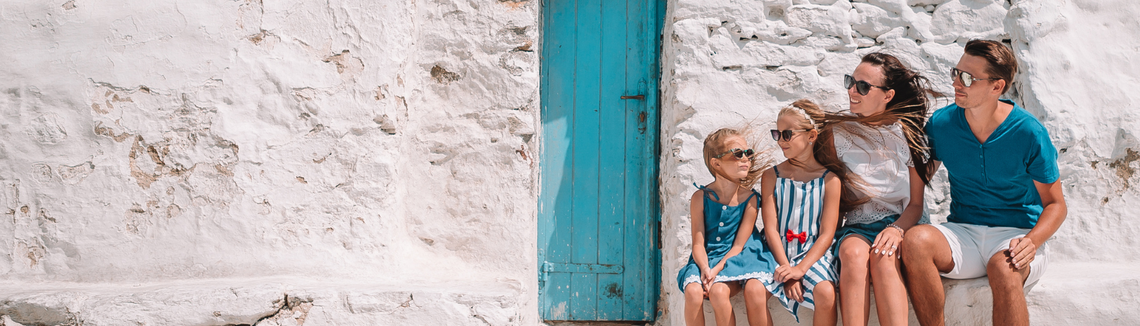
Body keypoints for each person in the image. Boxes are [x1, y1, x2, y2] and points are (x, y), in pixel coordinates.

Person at [902, 39, 1067, 326]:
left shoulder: (1029, 132)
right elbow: (918, 173)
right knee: (916, 241)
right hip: (963, 231)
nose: (957, 82)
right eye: (956, 72)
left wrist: (1031, 242)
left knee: (1003, 269)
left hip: (1015, 234)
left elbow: (1055, 204)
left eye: (968, 77)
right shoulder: (941, 124)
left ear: (996, 87)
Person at [812, 52, 942, 326]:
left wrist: (897, 230)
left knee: (883, 258)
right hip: (859, 224)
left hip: (904, 222)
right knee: (852, 254)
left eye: (863, 86)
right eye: (851, 81)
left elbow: (916, 204)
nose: (851, 91)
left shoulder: (908, 135)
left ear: (888, 94)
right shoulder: (835, 135)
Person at [677, 128, 779, 326]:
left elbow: (738, 246)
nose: (745, 159)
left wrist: (716, 271)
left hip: (738, 257)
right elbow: (698, 243)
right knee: (693, 291)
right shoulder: (700, 198)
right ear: (716, 163)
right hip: (707, 257)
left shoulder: (751, 199)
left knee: (718, 291)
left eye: (748, 154)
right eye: (738, 154)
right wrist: (706, 268)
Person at [758, 100, 840, 325]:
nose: (781, 141)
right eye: (777, 134)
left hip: (812, 254)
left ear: (811, 136)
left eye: (787, 134)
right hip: (775, 253)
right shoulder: (771, 176)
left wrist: (800, 270)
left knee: (825, 292)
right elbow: (771, 228)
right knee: (754, 291)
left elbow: (826, 234)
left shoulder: (830, 180)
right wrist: (786, 268)